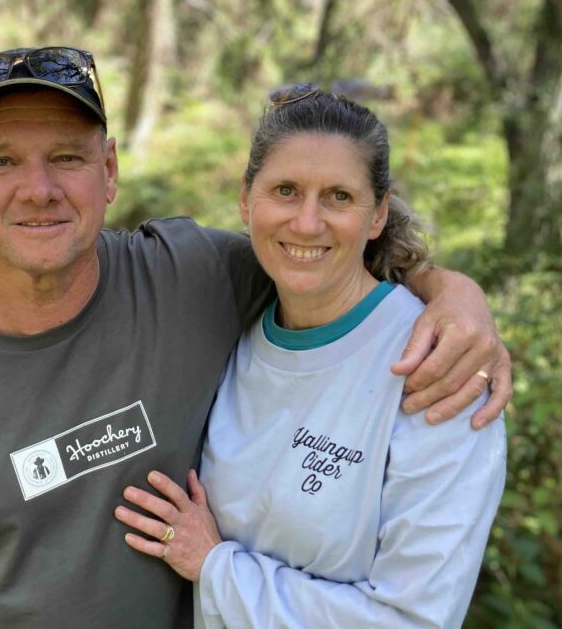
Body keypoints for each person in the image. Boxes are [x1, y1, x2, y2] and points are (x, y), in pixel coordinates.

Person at [0, 47, 512, 628]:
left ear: (109, 170)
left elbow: (328, 261)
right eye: (0, 161)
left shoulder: (192, 278)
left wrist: (455, 298)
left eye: (67, 157)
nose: (39, 187)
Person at [115, 85, 506, 628]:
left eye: (339, 197)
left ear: (377, 215)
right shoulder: (231, 322)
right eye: (286, 190)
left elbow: (414, 619)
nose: (306, 222)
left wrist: (214, 566)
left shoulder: (441, 369)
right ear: (246, 199)